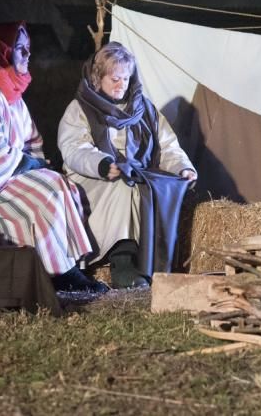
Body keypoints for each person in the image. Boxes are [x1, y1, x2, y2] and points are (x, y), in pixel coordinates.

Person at [0, 23, 106, 292]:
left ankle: (70, 266)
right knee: (47, 191)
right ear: (2, 51)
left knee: (62, 184)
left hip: (5, 172)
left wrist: (37, 164)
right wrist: (31, 165)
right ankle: (58, 274)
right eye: (20, 49)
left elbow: (32, 143)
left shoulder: (12, 94)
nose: (28, 56)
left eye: (29, 50)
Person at [58, 42, 196, 288]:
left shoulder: (144, 109)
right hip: (94, 178)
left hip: (136, 174)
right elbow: (74, 148)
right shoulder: (80, 109)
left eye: (125, 78)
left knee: (159, 189)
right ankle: (123, 262)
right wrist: (103, 164)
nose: (121, 85)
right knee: (124, 187)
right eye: (114, 79)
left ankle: (150, 265)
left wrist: (182, 168)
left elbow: (167, 146)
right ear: (98, 78)